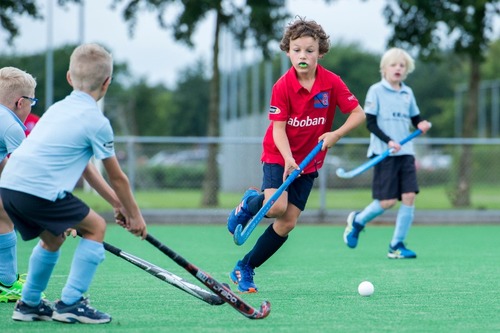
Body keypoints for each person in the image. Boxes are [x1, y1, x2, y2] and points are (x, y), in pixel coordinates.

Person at [0, 43, 147, 324]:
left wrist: (117, 204)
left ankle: (29, 304)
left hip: (10, 188)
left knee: (53, 239)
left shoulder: (57, 110)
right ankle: (71, 303)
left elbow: (86, 169)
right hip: (38, 190)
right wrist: (135, 215)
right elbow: (117, 176)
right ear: (107, 83)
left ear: (69, 77)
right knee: (97, 227)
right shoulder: (96, 121)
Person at [226, 17, 366, 293]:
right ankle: (247, 204)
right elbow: (278, 130)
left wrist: (336, 134)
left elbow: (358, 114)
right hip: (279, 155)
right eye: (297, 50)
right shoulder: (283, 86)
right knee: (276, 206)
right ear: (288, 51)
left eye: (309, 50)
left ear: (320, 53)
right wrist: (288, 158)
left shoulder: (331, 82)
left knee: (287, 221)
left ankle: (245, 266)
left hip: (310, 161)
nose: (303, 55)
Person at [343, 47, 431, 259]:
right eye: (393, 65)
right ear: (384, 69)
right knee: (387, 201)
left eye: (402, 65)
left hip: (405, 153)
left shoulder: (407, 93)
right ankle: (358, 220)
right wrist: (389, 141)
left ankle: (396, 245)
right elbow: (370, 123)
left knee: (409, 196)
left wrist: (421, 124)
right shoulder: (376, 91)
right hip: (383, 153)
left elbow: (415, 118)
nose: (398, 68)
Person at [0, 66, 38, 303]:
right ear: (20, 102)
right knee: (5, 215)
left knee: (3, 212)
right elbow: (29, 172)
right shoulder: (13, 126)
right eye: (32, 101)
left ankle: (6, 280)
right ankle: (6, 283)